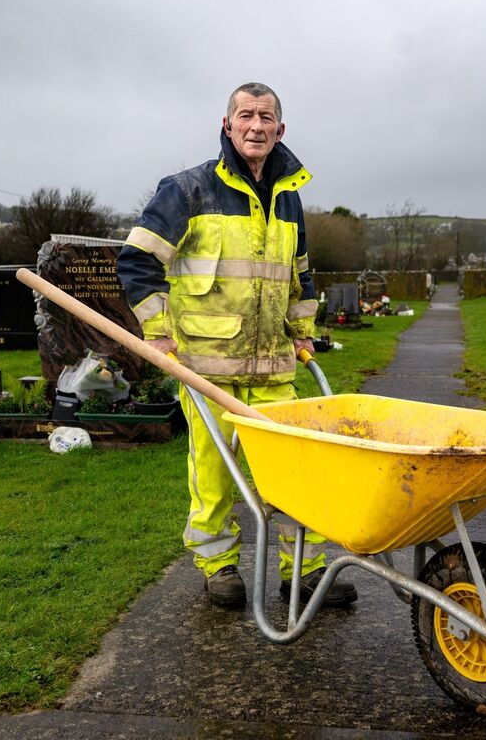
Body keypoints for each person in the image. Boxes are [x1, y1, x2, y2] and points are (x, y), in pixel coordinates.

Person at [117, 82, 357, 609]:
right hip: (206, 367)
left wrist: (302, 335)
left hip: (273, 367)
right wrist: (157, 333)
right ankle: (219, 566)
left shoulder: (288, 196)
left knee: (297, 472)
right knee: (214, 473)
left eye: (265, 117)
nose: (255, 125)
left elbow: (299, 276)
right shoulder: (186, 190)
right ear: (227, 125)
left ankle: (306, 572)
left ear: (280, 129)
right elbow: (137, 261)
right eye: (245, 115)